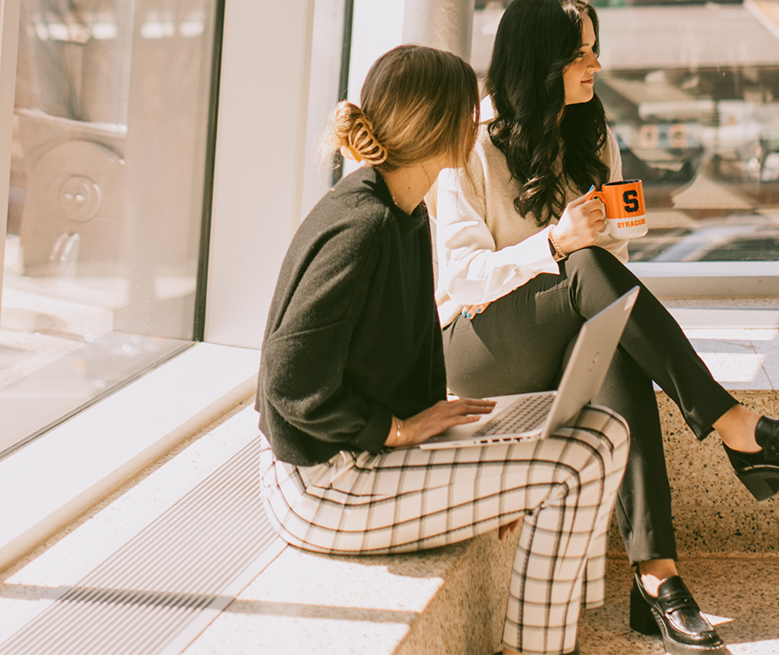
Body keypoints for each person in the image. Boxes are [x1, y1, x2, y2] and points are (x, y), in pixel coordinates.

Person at [434, 0, 779, 655]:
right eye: (581, 52)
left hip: (565, 314)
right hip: (478, 342)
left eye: (596, 48)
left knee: (619, 344)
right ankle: (737, 429)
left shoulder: (591, 132)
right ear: (541, 61)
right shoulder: (470, 146)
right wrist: (557, 243)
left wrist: (608, 231)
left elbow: (613, 259)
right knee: (588, 273)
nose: (595, 63)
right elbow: (460, 276)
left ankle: (658, 581)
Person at [257, 44, 630, 655]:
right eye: (468, 112)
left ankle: (560, 631)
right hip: (323, 486)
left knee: (605, 430)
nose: (479, 122)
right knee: (577, 461)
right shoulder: (362, 227)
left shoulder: (400, 212)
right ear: (440, 126)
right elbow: (288, 383)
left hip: (350, 463)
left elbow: (399, 349)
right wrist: (396, 430)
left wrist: (488, 477)